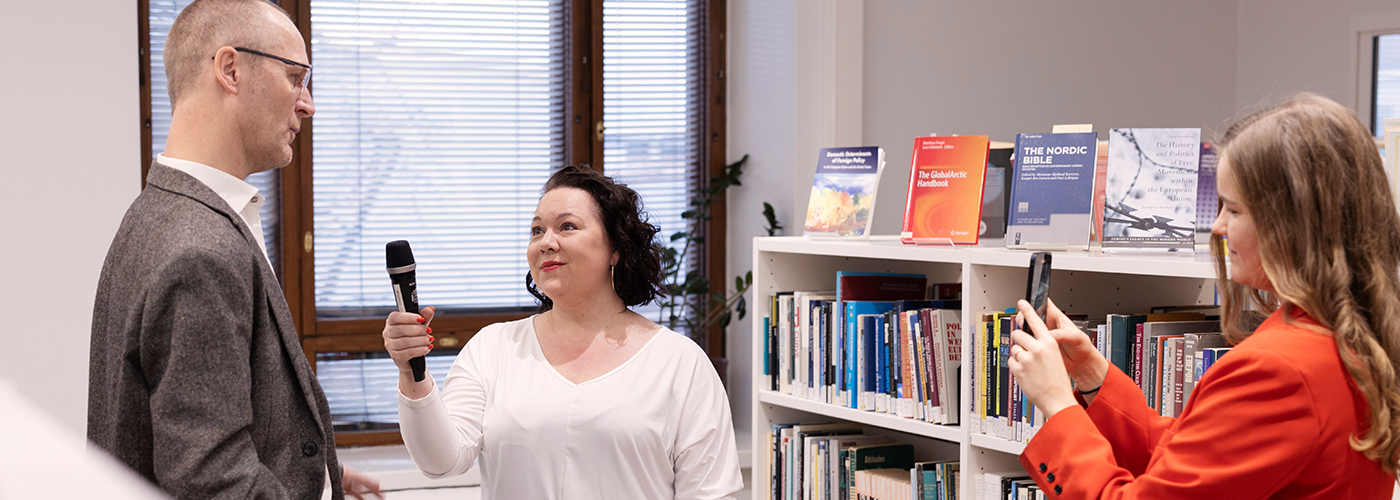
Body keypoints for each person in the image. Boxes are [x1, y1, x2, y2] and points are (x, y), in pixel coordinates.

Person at [1006, 93, 1400, 498]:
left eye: (1233, 209)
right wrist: (1091, 374)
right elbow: (1194, 462)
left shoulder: (1279, 369)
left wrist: (1058, 405)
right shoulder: (1345, 333)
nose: (1217, 226)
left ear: (1291, 224)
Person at [87, 1, 379, 498]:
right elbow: (211, 477)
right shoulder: (199, 249)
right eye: (295, 77)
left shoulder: (156, 211)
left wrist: (311, 474)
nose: (308, 104)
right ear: (230, 69)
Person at [382, 165, 743, 499]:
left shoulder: (679, 362)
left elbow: (709, 492)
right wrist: (410, 370)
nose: (545, 242)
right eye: (537, 230)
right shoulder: (494, 348)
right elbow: (441, 460)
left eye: (567, 226)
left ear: (615, 248)